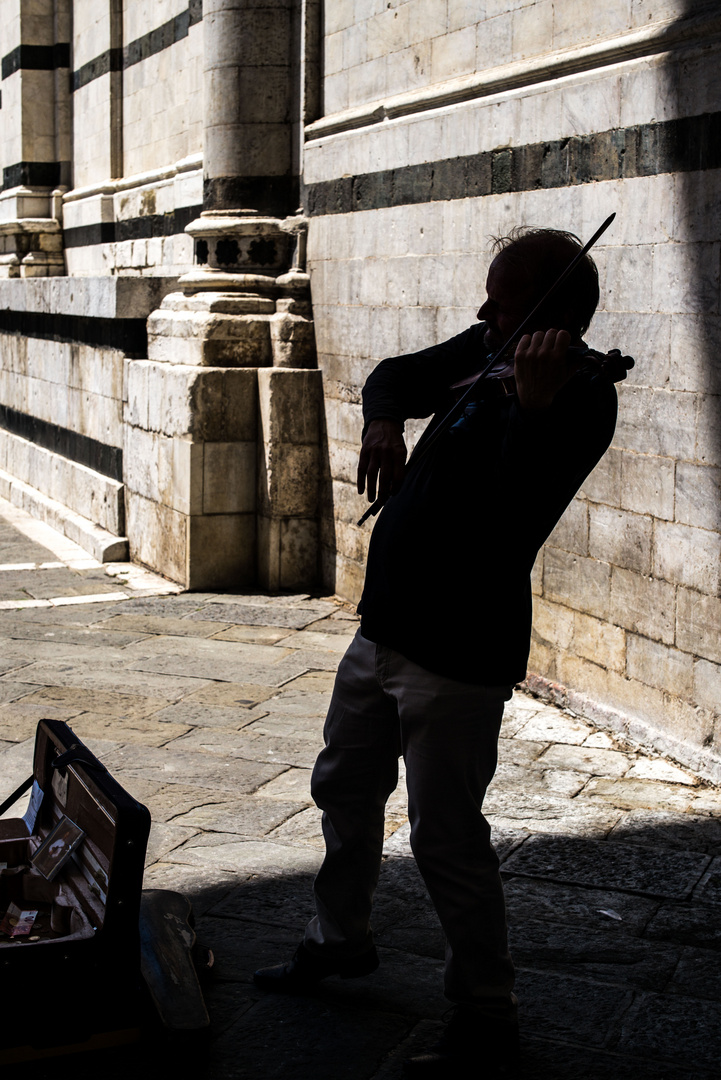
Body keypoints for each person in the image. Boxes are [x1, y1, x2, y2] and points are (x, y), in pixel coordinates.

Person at [254, 227, 630, 1077]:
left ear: (553, 315)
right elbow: (397, 374)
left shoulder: (579, 398)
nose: (480, 314)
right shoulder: (484, 347)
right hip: (382, 628)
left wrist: (530, 410)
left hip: (457, 654)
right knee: (342, 789)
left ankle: (485, 1009)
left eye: (498, 302)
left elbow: (511, 516)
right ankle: (337, 940)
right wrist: (384, 423)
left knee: (446, 837)